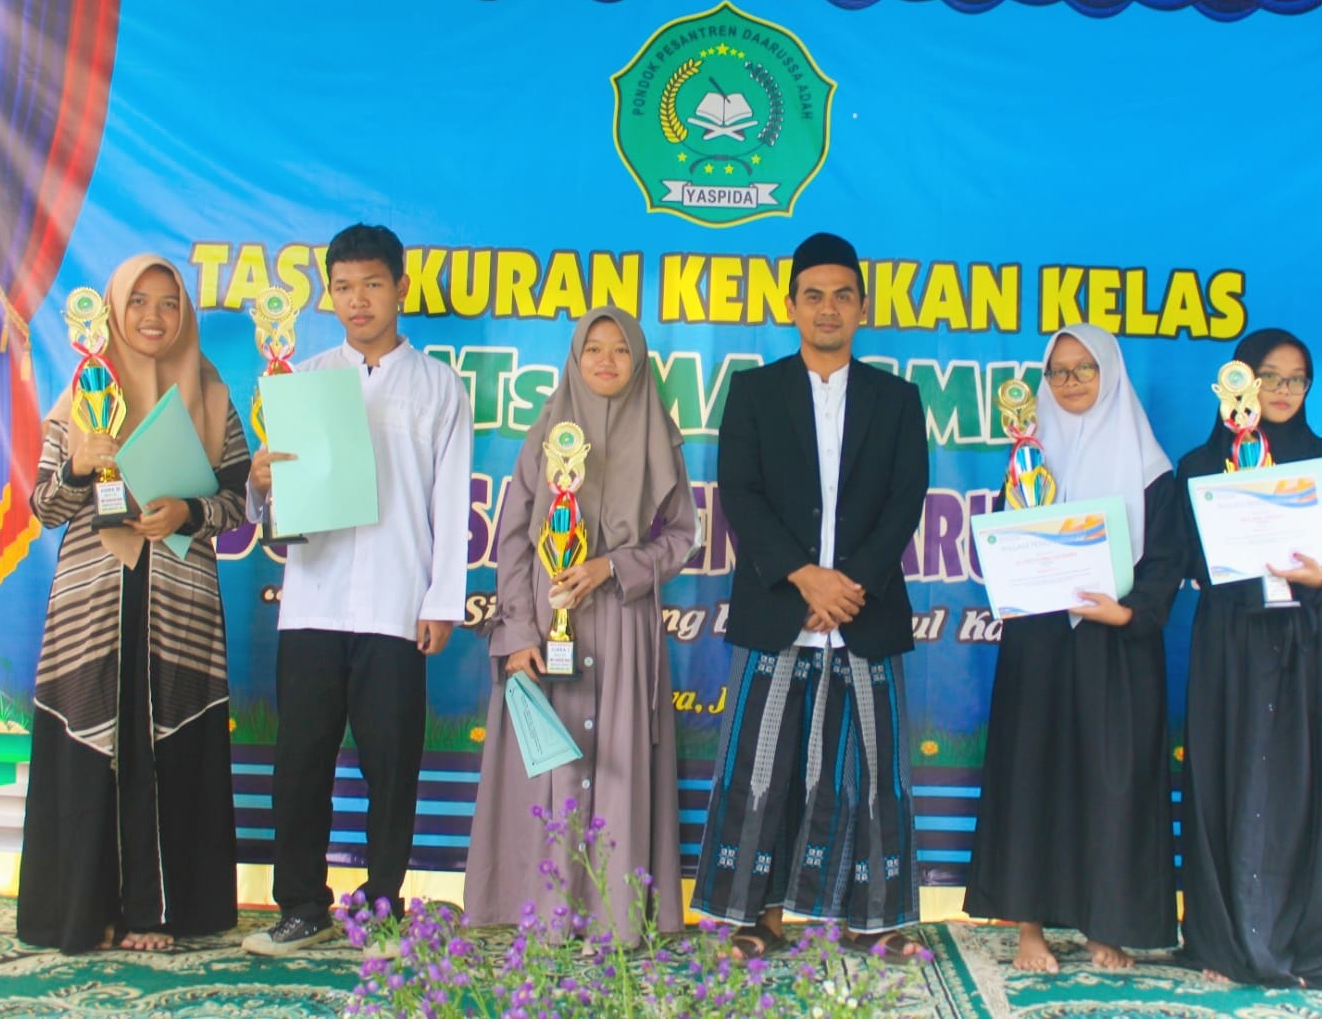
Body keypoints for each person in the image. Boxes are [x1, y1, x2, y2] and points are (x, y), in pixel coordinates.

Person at [691, 232, 930, 962]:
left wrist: (848, 584)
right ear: (790, 305)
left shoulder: (896, 398)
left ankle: (875, 920)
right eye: (814, 296)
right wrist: (805, 577)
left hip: (864, 611)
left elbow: (904, 498)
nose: (828, 309)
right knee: (764, 772)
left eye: (843, 296)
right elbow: (742, 492)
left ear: (863, 308)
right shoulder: (756, 392)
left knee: (869, 773)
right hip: (779, 609)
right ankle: (753, 918)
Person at [241, 224, 472, 956]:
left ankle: (381, 908)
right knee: (300, 761)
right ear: (329, 294)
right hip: (312, 600)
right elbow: (272, 514)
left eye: (372, 283)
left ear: (400, 287)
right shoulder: (301, 380)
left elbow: (449, 500)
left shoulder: (439, 385)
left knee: (392, 763)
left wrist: (441, 599)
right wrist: (257, 484)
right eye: (343, 287)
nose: (357, 300)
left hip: (398, 604)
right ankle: (302, 906)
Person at [18, 255, 247, 953]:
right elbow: (45, 506)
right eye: (139, 301)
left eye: (169, 303)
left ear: (185, 313)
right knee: (95, 743)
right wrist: (81, 465)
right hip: (93, 603)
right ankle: (92, 911)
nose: (153, 316)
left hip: (179, 599)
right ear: (115, 310)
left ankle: (160, 912)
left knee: (170, 740)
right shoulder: (82, 392)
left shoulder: (209, 392)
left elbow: (236, 508)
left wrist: (186, 510)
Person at [464, 306, 697, 941]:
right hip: (545, 617)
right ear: (574, 357)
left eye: (620, 349)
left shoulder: (660, 436)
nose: (605, 360)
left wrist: (613, 566)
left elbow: (682, 538)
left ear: (639, 360)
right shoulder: (545, 435)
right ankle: (539, 909)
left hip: (621, 619)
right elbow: (512, 539)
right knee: (549, 763)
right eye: (592, 348)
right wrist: (517, 632)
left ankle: (612, 916)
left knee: (616, 762)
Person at [963, 324, 1183, 973]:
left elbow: (1168, 561)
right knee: (1033, 775)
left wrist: (1129, 610)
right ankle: (1030, 927)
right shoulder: (1030, 458)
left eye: (1085, 368)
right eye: (1058, 371)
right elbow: (1002, 544)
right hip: (1040, 643)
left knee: (1111, 782)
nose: (1071, 382)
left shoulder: (1151, 468)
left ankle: (1103, 924)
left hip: (1117, 645)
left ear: (1110, 372)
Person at [1176, 327, 1322, 987]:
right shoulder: (1202, 466)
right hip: (1230, 640)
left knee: (1307, 783)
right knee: (1225, 776)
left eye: (1296, 379)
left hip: (1308, 643)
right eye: (1269, 377)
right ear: (1240, 385)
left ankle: (1308, 939)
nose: (1283, 391)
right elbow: (1188, 560)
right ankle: (1221, 935)